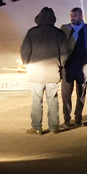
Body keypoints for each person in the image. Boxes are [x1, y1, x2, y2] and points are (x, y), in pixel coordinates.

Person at [20, 7, 71, 135]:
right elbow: (65, 52)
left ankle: (37, 127)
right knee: (53, 99)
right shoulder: (59, 33)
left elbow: (25, 50)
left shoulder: (32, 32)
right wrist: (59, 64)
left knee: (36, 100)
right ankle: (54, 126)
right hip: (53, 72)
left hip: (35, 72)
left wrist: (27, 63)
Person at [60, 7, 87, 128]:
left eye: (75, 15)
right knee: (66, 94)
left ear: (81, 16)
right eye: (71, 15)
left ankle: (78, 118)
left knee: (81, 94)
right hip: (68, 66)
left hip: (84, 66)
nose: (72, 17)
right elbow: (59, 45)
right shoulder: (64, 29)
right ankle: (67, 119)